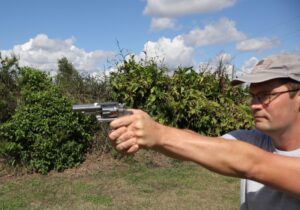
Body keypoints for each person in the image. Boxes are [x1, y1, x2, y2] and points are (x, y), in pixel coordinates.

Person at [108, 54, 300, 210]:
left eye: (266, 95)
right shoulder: (255, 140)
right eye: (252, 96)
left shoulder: (252, 151)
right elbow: (199, 143)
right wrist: (147, 136)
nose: (254, 105)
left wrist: (159, 134)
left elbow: (252, 163)